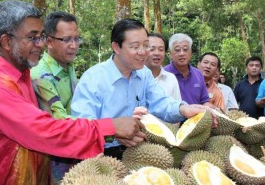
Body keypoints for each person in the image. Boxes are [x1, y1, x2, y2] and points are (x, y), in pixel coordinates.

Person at [0, 0, 145, 185]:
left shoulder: (22, 72)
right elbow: (44, 131)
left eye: (42, 36)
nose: (41, 44)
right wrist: (109, 127)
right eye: (32, 37)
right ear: (7, 41)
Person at [71, 19, 218, 159]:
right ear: (116, 47)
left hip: (138, 150)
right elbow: (82, 127)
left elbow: (160, 102)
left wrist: (184, 109)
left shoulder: (144, 73)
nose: (143, 52)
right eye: (135, 47)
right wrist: (113, 133)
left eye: (146, 45)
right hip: (102, 154)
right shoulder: (93, 79)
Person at [30, 12, 81, 184]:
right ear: (49, 42)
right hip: (54, 160)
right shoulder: (41, 76)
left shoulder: (68, 65)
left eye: (77, 39)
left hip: (76, 149)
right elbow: (59, 121)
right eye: (67, 40)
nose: (74, 45)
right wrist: (108, 127)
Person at [164, 33, 213, 108]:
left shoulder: (198, 74)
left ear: (191, 52)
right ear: (170, 54)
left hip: (197, 118)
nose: (182, 53)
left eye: (185, 49)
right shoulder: (164, 74)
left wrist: (216, 109)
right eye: (177, 50)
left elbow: (204, 102)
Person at [145, 33, 181, 101]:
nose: (157, 53)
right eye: (152, 49)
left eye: (161, 49)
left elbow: (177, 107)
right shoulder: (135, 77)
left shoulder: (171, 78)